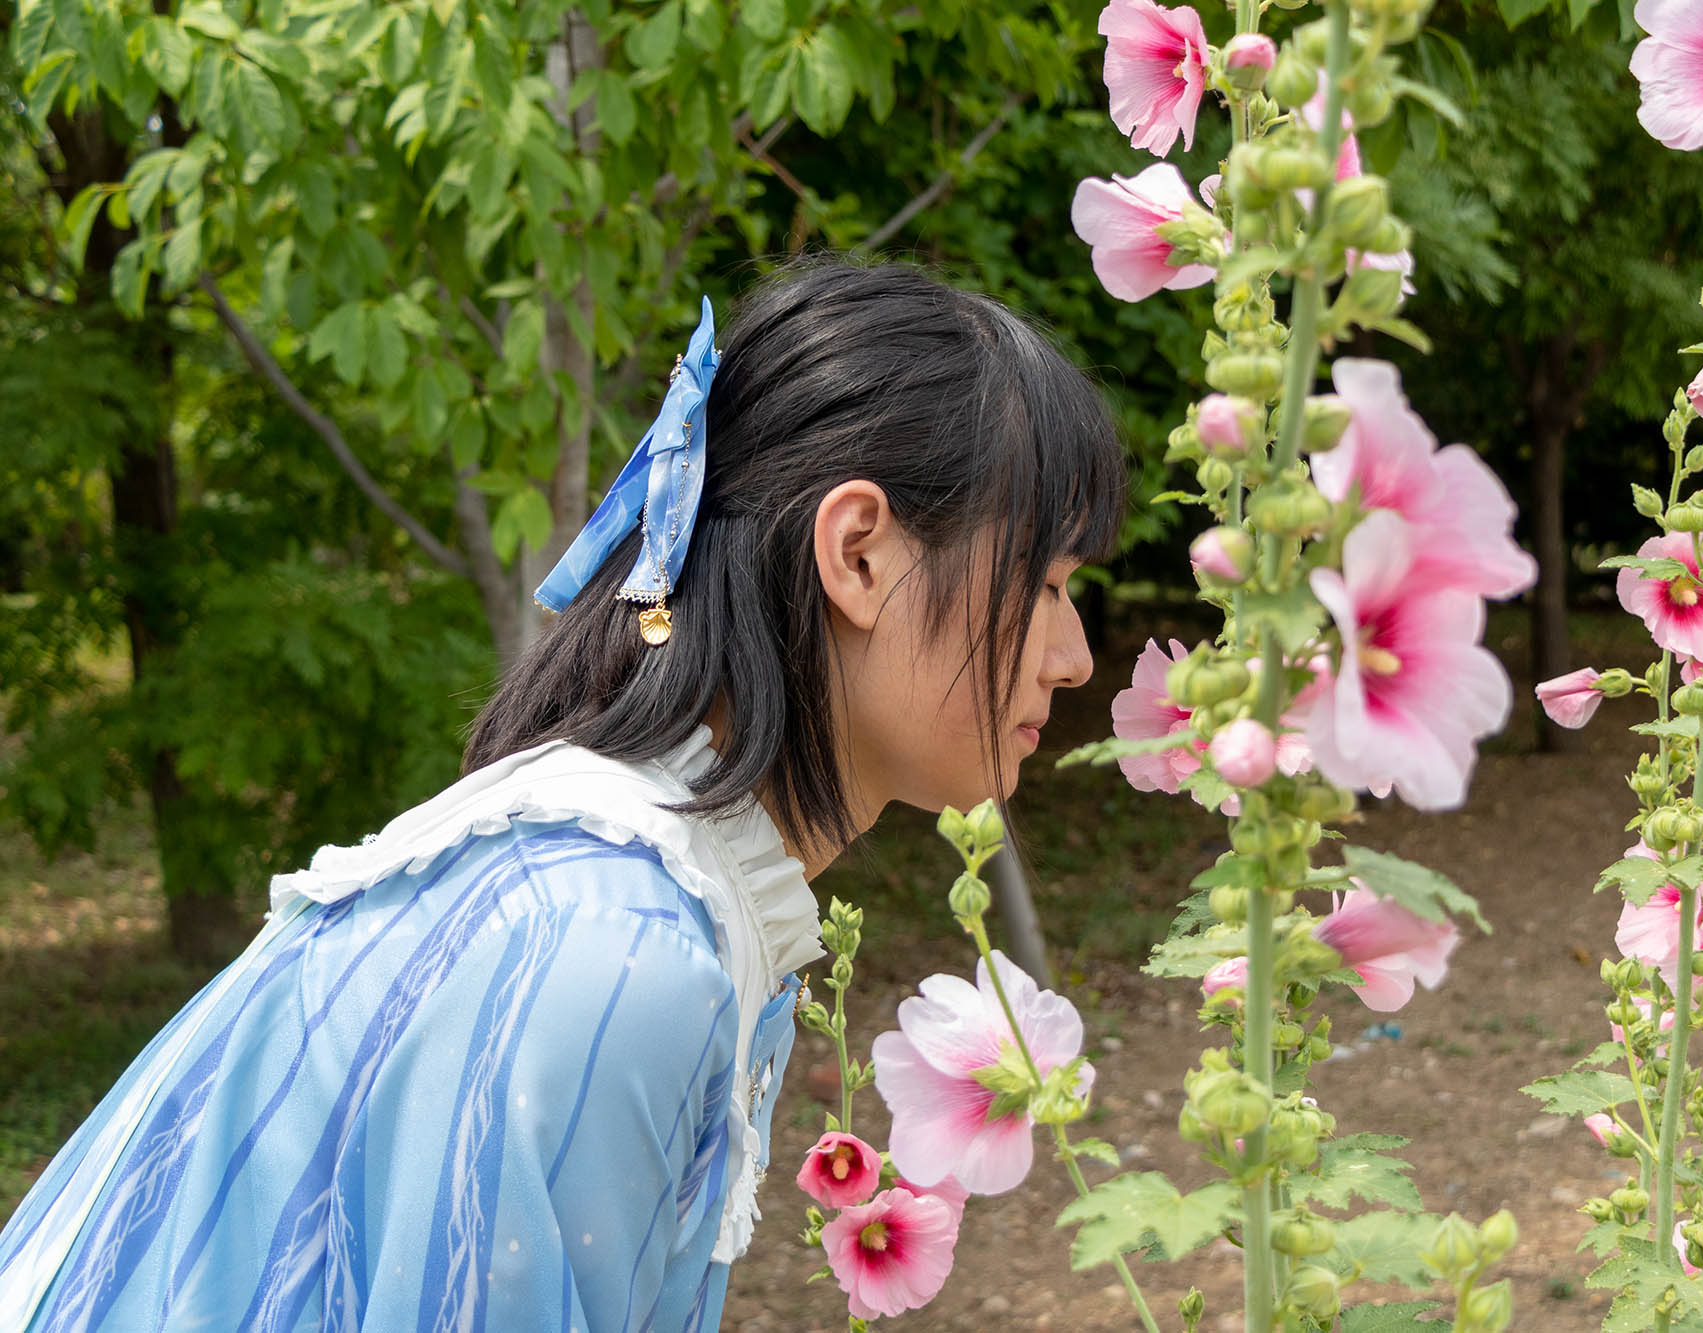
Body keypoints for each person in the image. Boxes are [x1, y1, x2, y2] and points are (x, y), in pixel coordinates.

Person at [0, 260, 1124, 1331]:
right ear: (859, 553)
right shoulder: (613, 943)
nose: (1075, 657)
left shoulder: (635, 897)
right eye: (1045, 583)